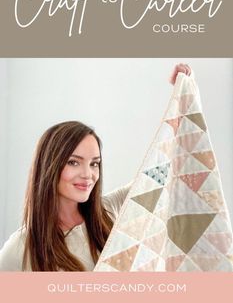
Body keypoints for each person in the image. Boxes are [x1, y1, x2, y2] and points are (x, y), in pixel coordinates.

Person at [0, 64, 191, 271]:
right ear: (49, 166)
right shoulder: (19, 250)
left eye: (94, 164)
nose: (88, 174)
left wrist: (180, 95)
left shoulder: (110, 210)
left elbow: (164, 165)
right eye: (74, 162)